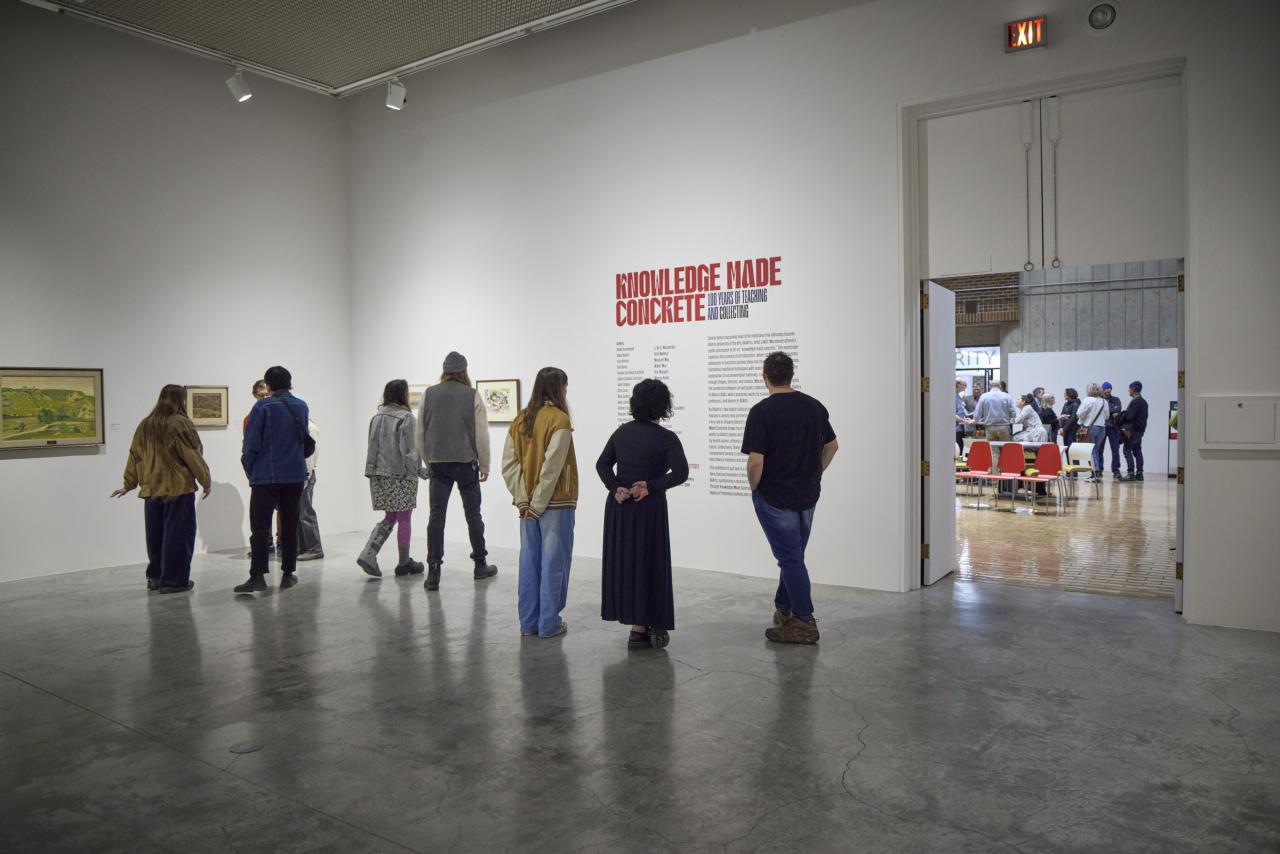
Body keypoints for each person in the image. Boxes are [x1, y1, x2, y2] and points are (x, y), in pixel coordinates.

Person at [742, 351, 838, 645]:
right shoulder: (814, 407)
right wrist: (814, 473)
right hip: (807, 495)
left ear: (765, 376)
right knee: (793, 556)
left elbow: (755, 461)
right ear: (791, 374)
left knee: (791, 559)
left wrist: (754, 488)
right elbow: (832, 446)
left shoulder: (761, 412)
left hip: (775, 497)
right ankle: (784, 609)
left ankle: (804, 621)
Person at [596, 379, 689, 650]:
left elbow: (602, 464)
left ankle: (637, 629)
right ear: (663, 405)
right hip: (648, 507)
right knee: (650, 563)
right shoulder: (666, 438)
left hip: (621, 506)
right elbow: (681, 473)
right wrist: (651, 486)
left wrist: (616, 487)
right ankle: (645, 625)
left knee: (628, 563)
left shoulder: (622, 432)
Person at [111, 384, 211, 594]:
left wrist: (129, 483)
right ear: (181, 400)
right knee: (178, 536)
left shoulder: (146, 424)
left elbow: (134, 456)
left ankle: (155, 577)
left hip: (152, 490)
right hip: (178, 489)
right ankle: (173, 581)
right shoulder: (180, 423)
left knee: (155, 536)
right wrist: (206, 481)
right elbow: (193, 455)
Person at [502, 367, 578, 639]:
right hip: (555, 504)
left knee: (529, 562)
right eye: (565, 387)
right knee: (554, 564)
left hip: (527, 508)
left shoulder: (520, 419)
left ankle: (528, 623)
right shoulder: (560, 419)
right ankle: (549, 624)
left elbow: (509, 466)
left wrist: (524, 500)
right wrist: (538, 503)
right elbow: (553, 467)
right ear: (559, 388)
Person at [416, 351, 498, 592]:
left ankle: (434, 570)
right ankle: (480, 563)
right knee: (473, 514)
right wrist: (485, 464)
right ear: (464, 371)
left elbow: (420, 433)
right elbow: (481, 434)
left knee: (436, 516)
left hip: (438, 463)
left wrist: (427, 460)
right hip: (465, 463)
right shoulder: (471, 395)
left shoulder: (428, 394)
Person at [237, 365, 311, 593]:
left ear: (268, 385)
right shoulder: (301, 406)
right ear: (289, 383)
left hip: (266, 477)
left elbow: (251, 444)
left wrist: (249, 468)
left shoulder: (262, 407)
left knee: (260, 527)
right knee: (289, 524)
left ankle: (257, 576)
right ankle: (288, 573)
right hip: (294, 475)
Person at [359, 380, 430, 577]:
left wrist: (372, 472)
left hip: (378, 474)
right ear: (403, 395)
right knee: (405, 517)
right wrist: (421, 471)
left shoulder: (376, 417)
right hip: (401, 475)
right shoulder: (406, 418)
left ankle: (368, 554)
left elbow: (371, 448)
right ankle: (403, 562)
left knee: (391, 516)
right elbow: (410, 451)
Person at [296, 415, 324, 561]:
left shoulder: (310, 428)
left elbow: (310, 455)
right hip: (299, 474)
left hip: (305, 474)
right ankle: (302, 547)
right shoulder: (301, 425)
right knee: (299, 513)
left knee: (305, 512)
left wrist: (305, 476)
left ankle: (315, 548)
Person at [1075, 383, 1109, 482]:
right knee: (1096, 450)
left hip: (1090, 427)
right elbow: (1107, 416)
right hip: (1102, 428)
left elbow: (1079, 413)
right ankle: (1096, 473)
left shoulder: (1088, 400)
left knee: (1092, 451)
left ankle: (1095, 473)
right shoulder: (1104, 401)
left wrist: (1086, 418)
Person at [1119, 380, 1149, 481]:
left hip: (1133, 431)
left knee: (1127, 450)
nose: (1128, 390)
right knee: (1137, 451)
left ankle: (1130, 473)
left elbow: (1130, 416)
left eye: (1130, 388)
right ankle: (1139, 473)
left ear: (1134, 389)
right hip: (1140, 430)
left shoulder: (1136, 402)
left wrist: (1122, 415)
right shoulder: (1143, 402)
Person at [1101, 381, 1124, 478]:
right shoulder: (1099, 400)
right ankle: (1099, 469)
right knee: (1099, 450)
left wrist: (1110, 411)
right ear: (1102, 390)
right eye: (1106, 389)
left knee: (1115, 450)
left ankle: (1116, 470)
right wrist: (1112, 411)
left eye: (1109, 389)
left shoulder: (1116, 399)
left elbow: (1118, 409)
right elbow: (1112, 411)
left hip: (1113, 427)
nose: (1108, 391)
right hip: (1102, 427)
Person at [955, 379, 973, 456]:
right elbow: (952, 414)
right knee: (957, 450)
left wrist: (964, 418)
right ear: (958, 385)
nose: (965, 387)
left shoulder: (958, 396)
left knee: (961, 448)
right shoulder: (952, 396)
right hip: (956, 428)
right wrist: (963, 420)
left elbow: (959, 411)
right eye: (964, 385)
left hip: (960, 427)